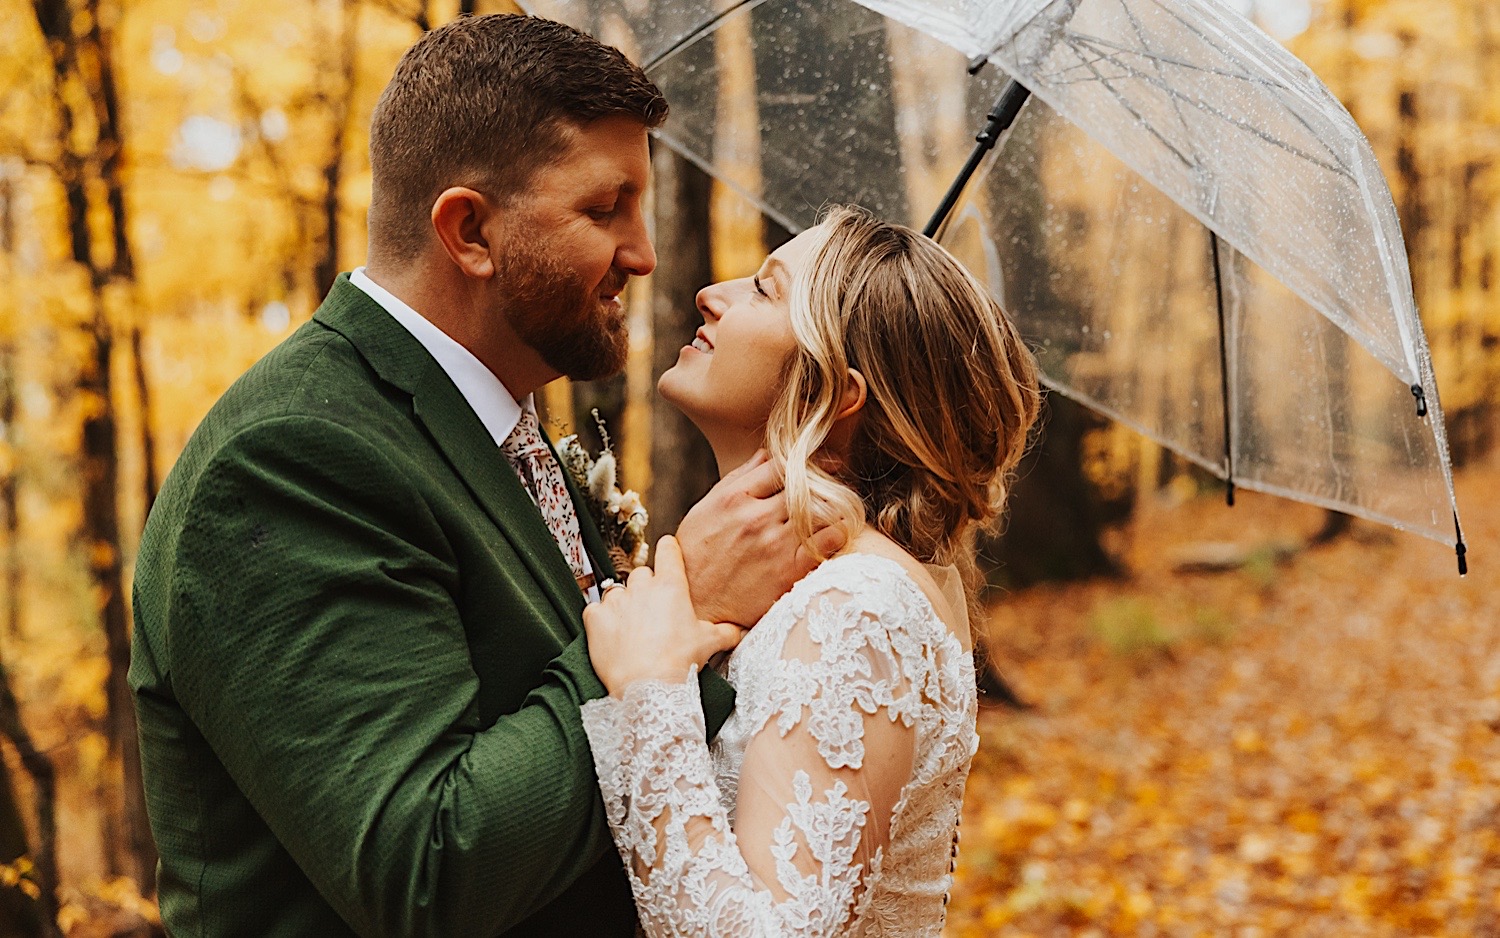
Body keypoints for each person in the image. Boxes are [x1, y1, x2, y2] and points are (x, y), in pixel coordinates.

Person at [129, 15, 837, 937]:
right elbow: (425, 870)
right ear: (469, 230)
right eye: (603, 208)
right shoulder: (290, 460)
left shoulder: (497, 424)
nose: (645, 254)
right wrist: (684, 607)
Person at [579, 205, 1043, 936]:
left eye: (765, 290)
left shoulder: (859, 607)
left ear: (839, 392)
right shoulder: (824, 581)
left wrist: (649, 691)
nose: (712, 292)